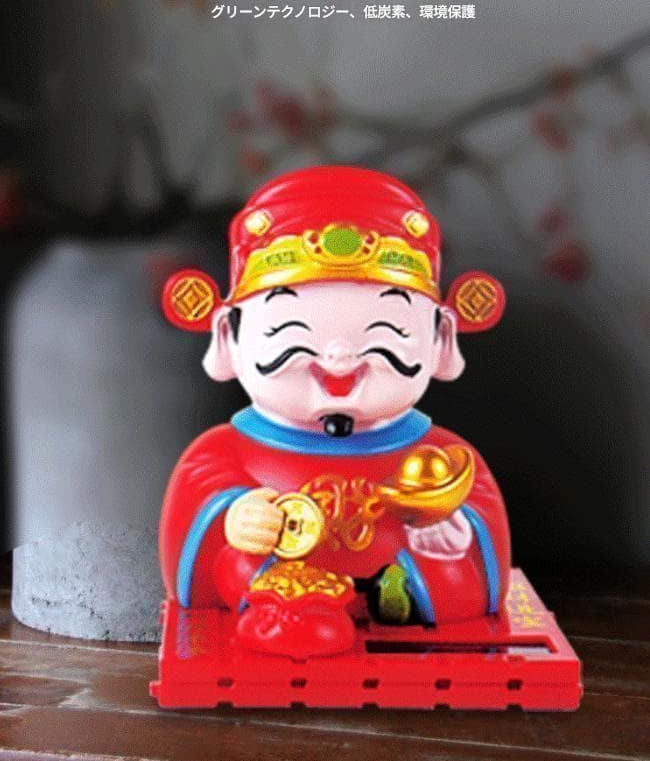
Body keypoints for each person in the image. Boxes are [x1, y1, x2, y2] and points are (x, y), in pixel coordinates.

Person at [159, 166, 509, 658]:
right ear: (227, 336)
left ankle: (393, 601)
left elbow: (487, 565)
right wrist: (236, 513)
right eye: (288, 331)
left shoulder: (444, 459)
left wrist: (453, 530)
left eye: (388, 332)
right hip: (278, 589)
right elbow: (195, 535)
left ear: (441, 338)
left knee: (454, 583)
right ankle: (289, 614)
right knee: (240, 561)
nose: (340, 360)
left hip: (401, 604)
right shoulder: (223, 452)